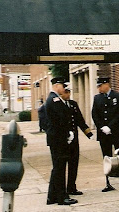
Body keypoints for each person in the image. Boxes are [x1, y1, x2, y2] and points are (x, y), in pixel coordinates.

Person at [45, 77, 77, 206]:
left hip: (57, 139)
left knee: (57, 168)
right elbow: (60, 121)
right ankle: (61, 197)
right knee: (59, 169)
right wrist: (67, 134)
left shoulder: (54, 99)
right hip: (58, 140)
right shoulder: (55, 100)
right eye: (63, 86)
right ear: (57, 85)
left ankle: (52, 196)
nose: (64, 89)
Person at [91, 77, 119, 192]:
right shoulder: (97, 98)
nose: (99, 88)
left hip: (116, 132)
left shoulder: (117, 96)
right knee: (106, 157)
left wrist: (110, 126)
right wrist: (102, 127)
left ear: (107, 84)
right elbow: (94, 114)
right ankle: (109, 182)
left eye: (100, 86)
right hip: (103, 134)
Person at [60, 83, 93, 196]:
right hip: (64, 140)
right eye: (66, 92)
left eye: (69, 92)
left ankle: (71, 187)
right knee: (64, 165)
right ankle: (63, 189)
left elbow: (79, 120)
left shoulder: (73, 104)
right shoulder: (59, 105)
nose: (68, 94)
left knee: (74, 164)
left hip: (74, 140)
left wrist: (89, 134)